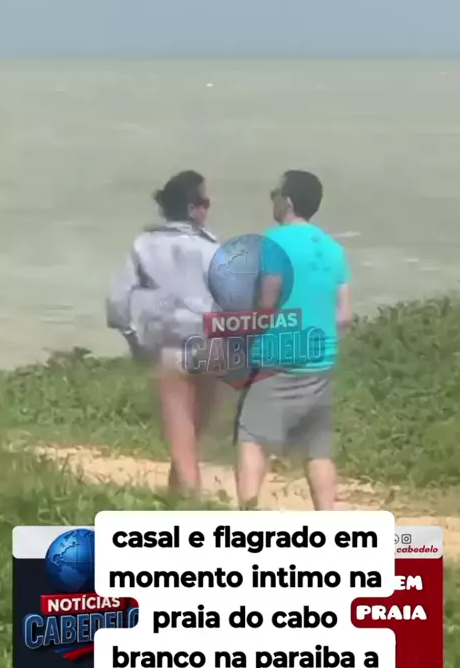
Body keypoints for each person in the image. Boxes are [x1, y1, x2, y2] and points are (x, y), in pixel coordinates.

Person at [234, 170, 351, 510]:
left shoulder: (274, 243)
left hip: (277, 358)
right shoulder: (333, 249)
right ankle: (327, 523)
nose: (271, 198)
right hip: (321, 359)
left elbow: (268, 300)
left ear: (287, 201)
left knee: (253, 438)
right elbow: (344, 315)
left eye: (274, 192)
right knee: (318, 449)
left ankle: (247, 518)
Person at [106, 170, 219, 496]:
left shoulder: (144, 244)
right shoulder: (214, 249)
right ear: (192, 208)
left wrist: (132, 338)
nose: (208, 209)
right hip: (212, 348)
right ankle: (179, 500)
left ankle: (188, 508)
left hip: (169, 348)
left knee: (182, 442)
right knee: (190, 437)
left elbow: (117, 300)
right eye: (205, 202)